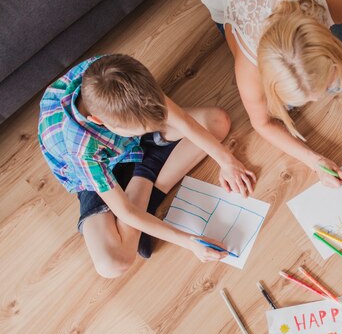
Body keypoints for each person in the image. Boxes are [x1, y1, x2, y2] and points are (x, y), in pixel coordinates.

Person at [38, 54, 256, 278]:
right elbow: (127, 212)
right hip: (96, 173)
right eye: (137, 131)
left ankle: (146, 173)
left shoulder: (121, 74)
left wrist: (227, 161)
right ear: (99, 121)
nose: (141, 133)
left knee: (217, 122)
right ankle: (147, 178)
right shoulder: (82, 150)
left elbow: (182, 121)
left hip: (127, 141)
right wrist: (190, 242)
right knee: (112, 264)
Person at [198, 0, 342, 187]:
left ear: (328, 44)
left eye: (322, 87)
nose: (318, 99)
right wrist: (313, 160)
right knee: (283, 107)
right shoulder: (248, 67)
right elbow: (262, 123)